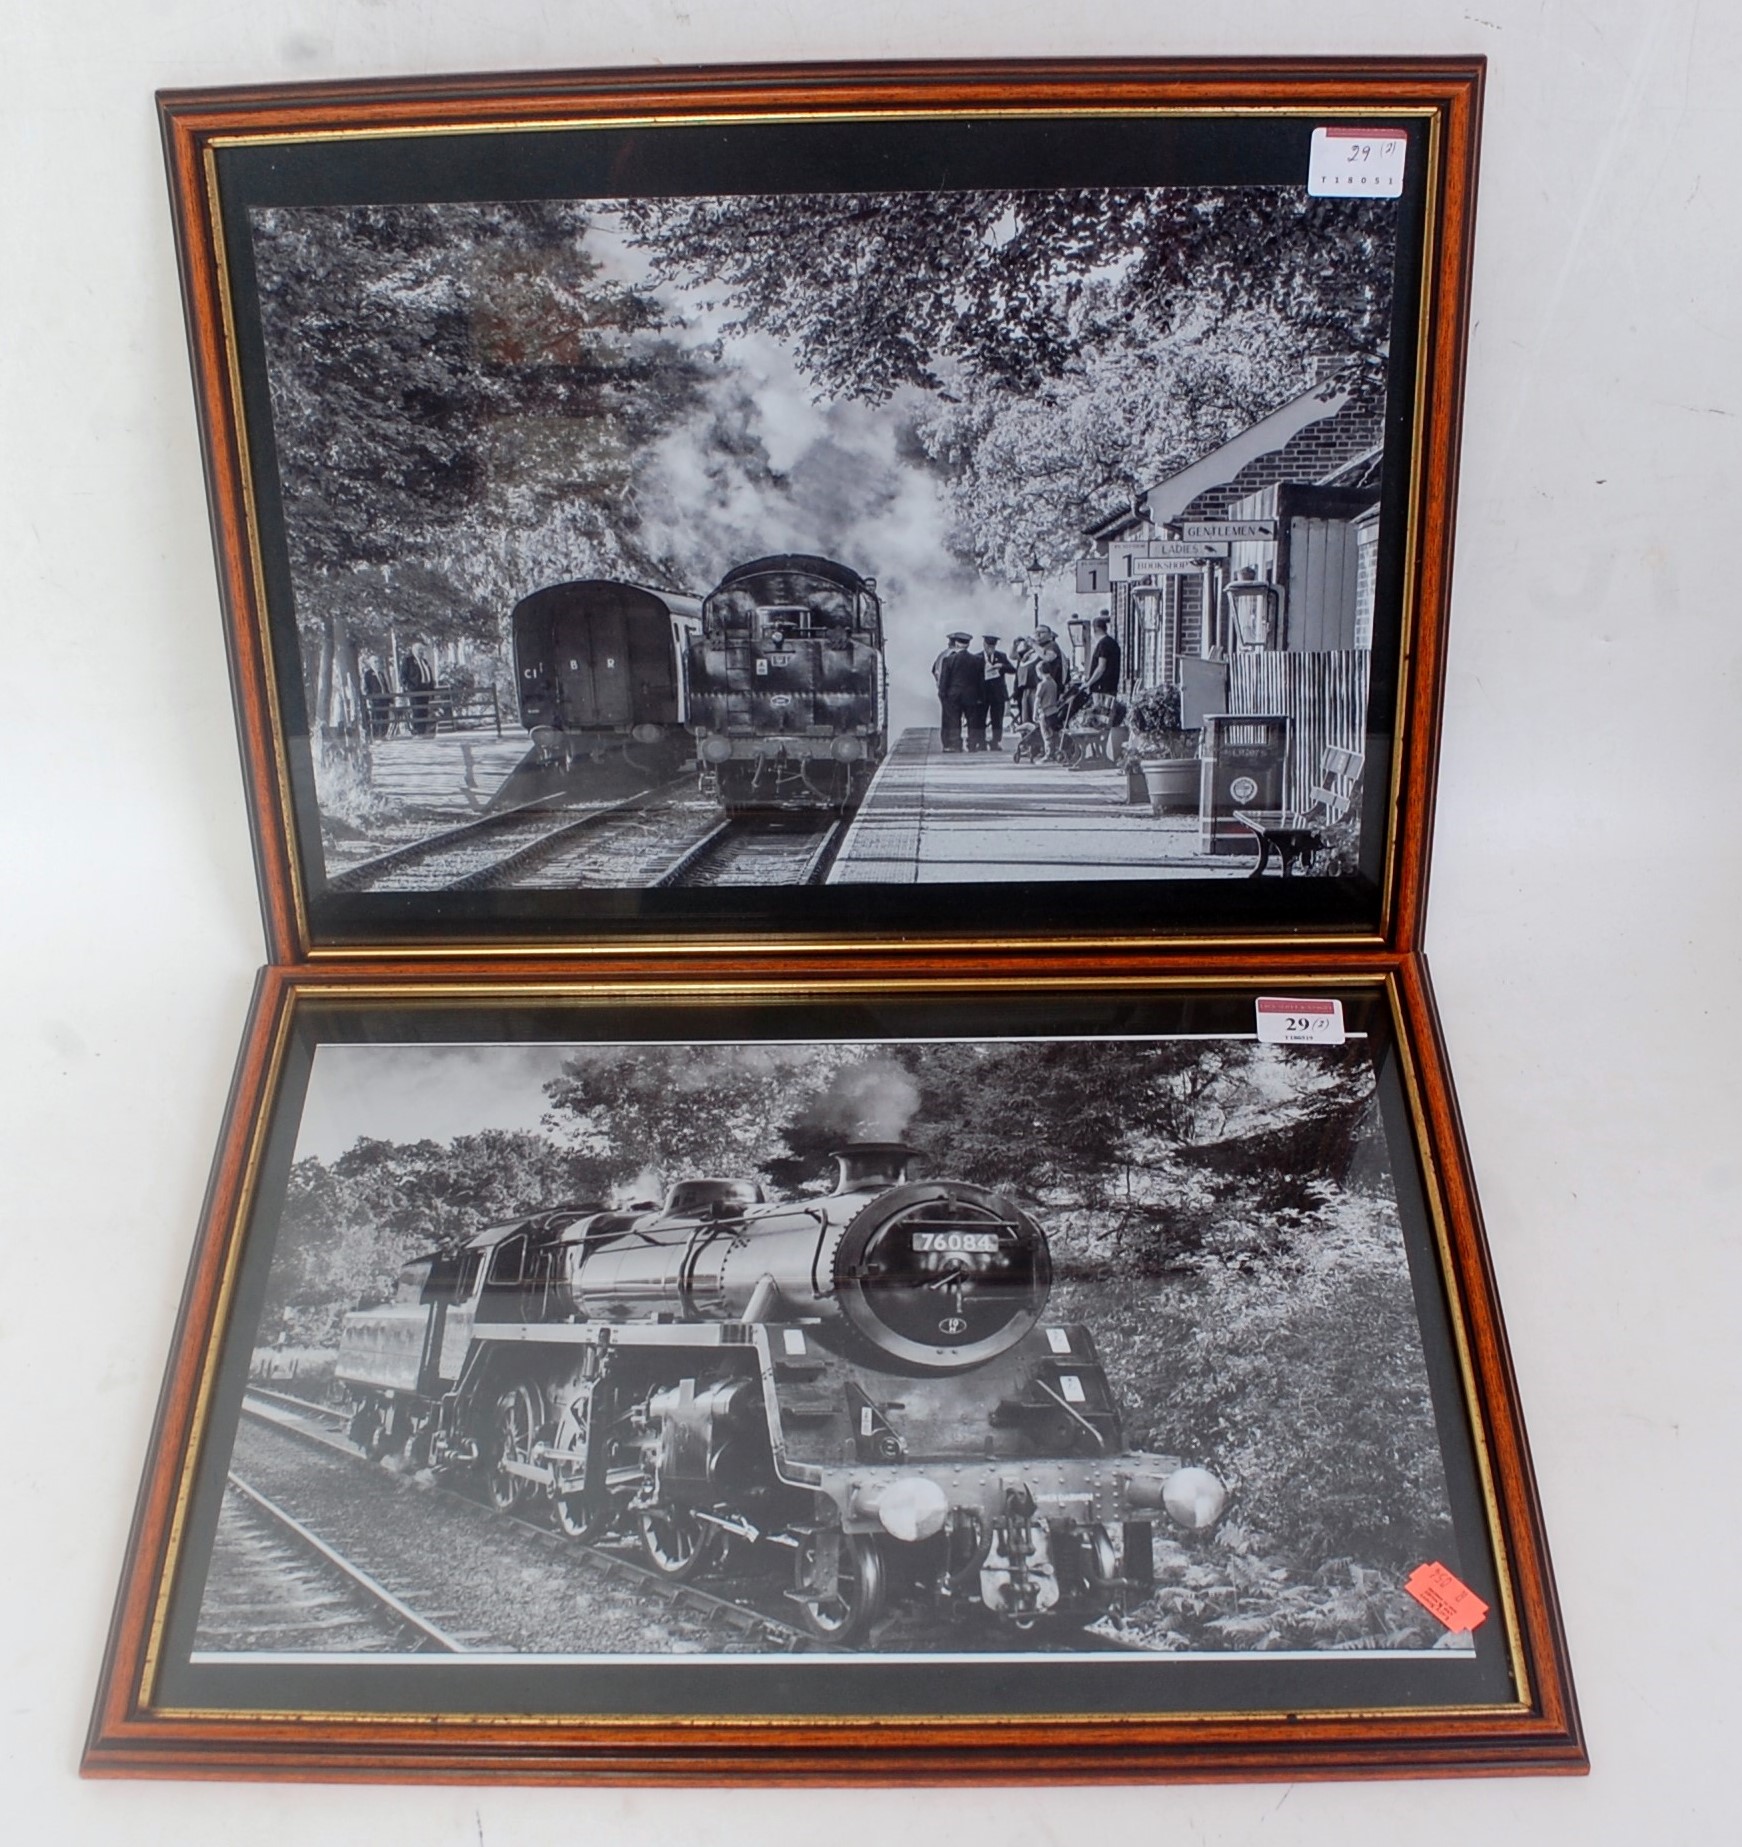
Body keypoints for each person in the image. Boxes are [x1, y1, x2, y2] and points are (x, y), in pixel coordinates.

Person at [933, 630, 981, 753]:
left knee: (954, 720)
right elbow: (980, 680)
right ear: (968, 644)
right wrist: (980, 696)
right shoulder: (977, 660)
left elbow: (944, 680)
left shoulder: (948, 660)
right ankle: (972, 744)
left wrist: (942, 694)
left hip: (954, 695)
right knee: (972, 720)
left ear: (956, 643)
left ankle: (955, 744)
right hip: (971, 695)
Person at [973, 634, 1016, 750]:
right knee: (980, 718)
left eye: (993, 646)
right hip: (982, 693)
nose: (990, 649)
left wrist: (1001, 666)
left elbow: (1013, 669)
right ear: (984, 645)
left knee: (997, 718)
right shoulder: (977, 658)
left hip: (997, 693)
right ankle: (981, 741)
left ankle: (995, 741)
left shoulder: (1001, 656)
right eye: (988, 646)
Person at [1084, 614, 1122, 718]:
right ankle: (1104, 734)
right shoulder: (1113, 643)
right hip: (1111, 686)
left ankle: (1101, 734)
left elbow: (1101, 667)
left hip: (1102, 688)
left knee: (1100, 717)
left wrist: (1088, 683)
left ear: (1095, 629)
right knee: (1107, 717)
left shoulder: (1103, 644)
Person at [401, 644, 436, 736]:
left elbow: (429, 674)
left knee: (424, 711)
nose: (421, 652)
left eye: (422, 650)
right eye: (419, 650)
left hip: (425, 689)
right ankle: (417, 731)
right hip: (415, 690)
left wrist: (432, 688)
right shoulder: (408, 661)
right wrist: (409, 687)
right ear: (414, 650)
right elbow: (403, 677)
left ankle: (423, 731)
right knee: (417, 711)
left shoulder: (424, 661)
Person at [361, 657, 390, 739]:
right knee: (376, 718)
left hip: (384, 699)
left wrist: (389, 697)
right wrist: (370, 698)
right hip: (375, 700)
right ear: (371, 663)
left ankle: (383, 735)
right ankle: (377, 736)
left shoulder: (381, 674)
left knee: (385, 717)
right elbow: (366, 687)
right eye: (375, 662)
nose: (377, 664)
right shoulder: (368, 674)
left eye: (378, 662)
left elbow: (385, 686)